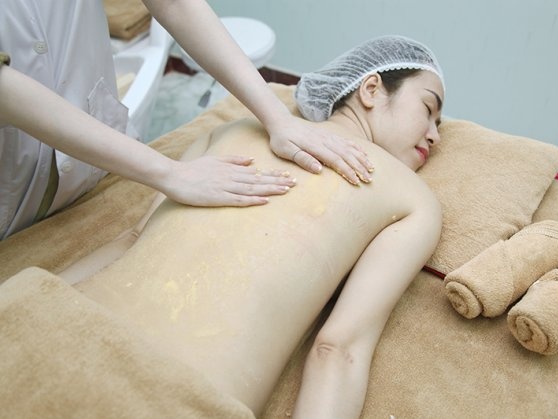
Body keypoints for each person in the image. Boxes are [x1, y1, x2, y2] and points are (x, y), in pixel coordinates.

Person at [69, 35, 445, 418]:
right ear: (371, 89)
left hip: (61, 326)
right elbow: (338, 350)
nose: (435, 134)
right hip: (176, 394)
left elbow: (130, 241)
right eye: (429, 109)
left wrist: (30, 296)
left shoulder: (231, 130)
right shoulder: (412, 198)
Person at [0, 0, 373, 240]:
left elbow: (174, 3)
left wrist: (278, 117)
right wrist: (169, 173)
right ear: (371, 89)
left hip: (100, 165)